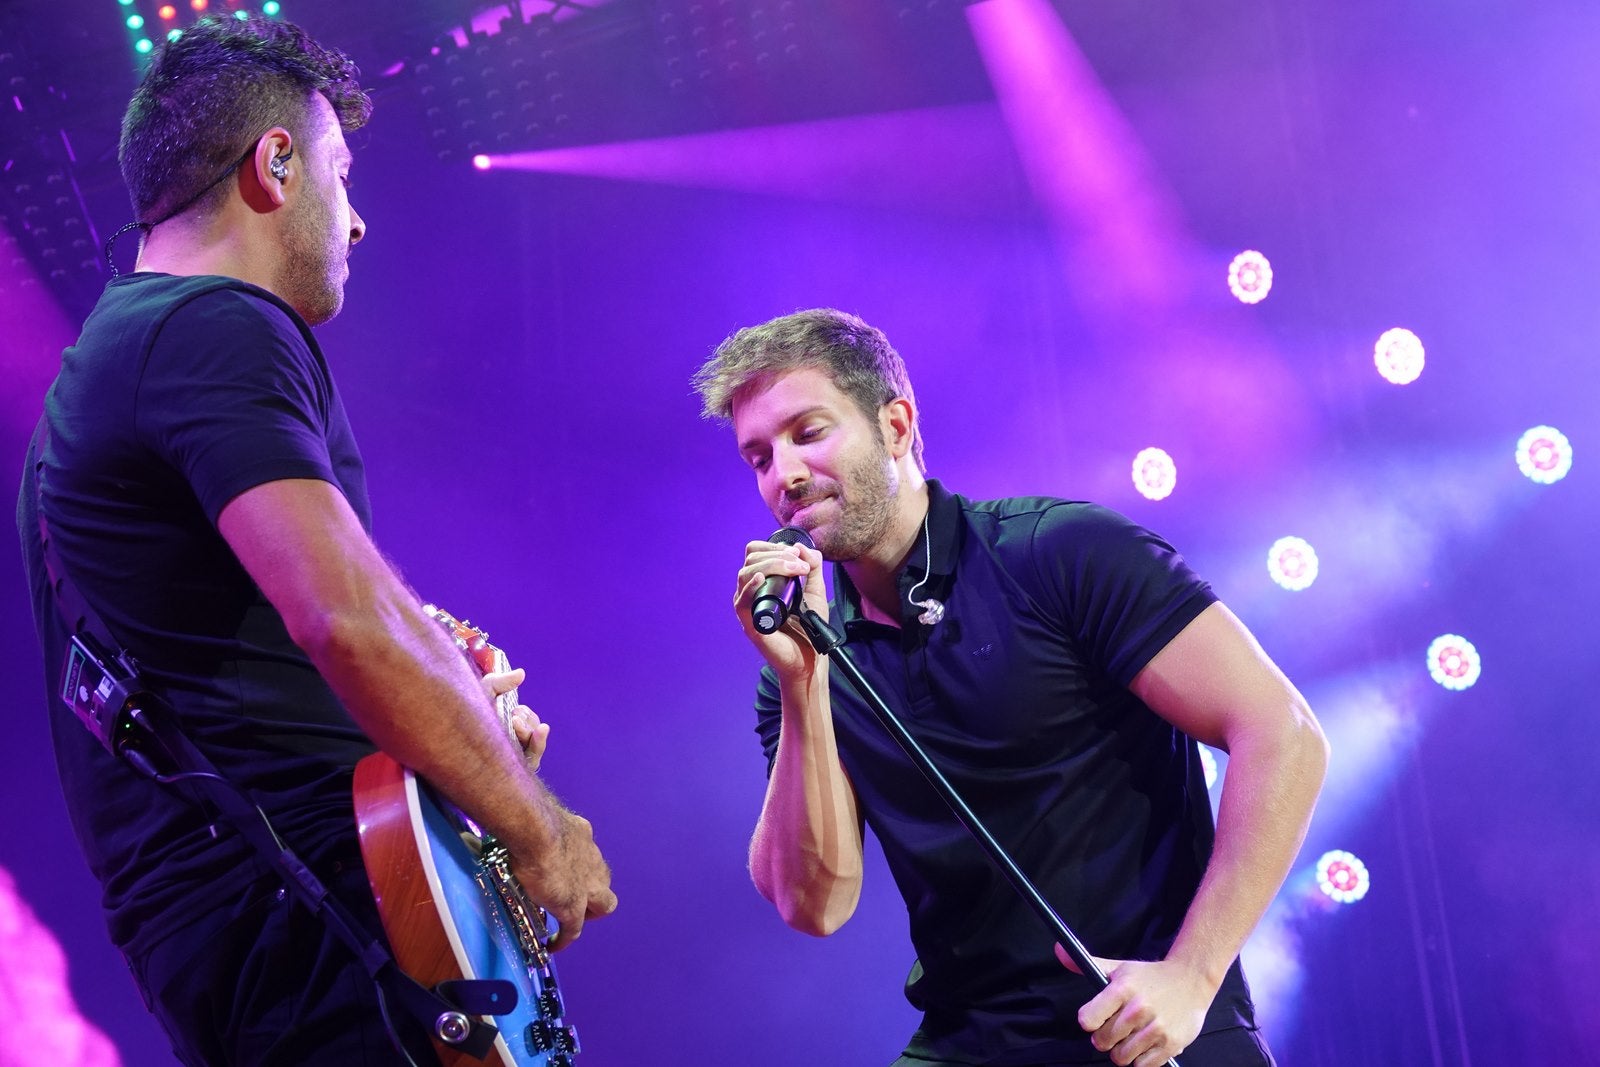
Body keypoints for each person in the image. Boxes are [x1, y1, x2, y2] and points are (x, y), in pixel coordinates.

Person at [18, 15, 614, 1066]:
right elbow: (347, 618)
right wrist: (539, 828)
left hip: (254, 938)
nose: (360, 220)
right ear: (277, 163)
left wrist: (458, 714)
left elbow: (280, 643)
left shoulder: (110, 365)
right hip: (313, 933)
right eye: (343, 173)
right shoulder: (210, 325)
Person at [693, 308, 1329, 1067]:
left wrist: (1193, 975)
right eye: (759, 457)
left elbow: (1282, 731)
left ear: (895, 426)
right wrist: (802, 684)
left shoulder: (1058, 553)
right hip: (971, 1040)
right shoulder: (806, 663)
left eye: (808, 432)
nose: (785, 475)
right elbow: (813, 904)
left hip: (1149, 1021)